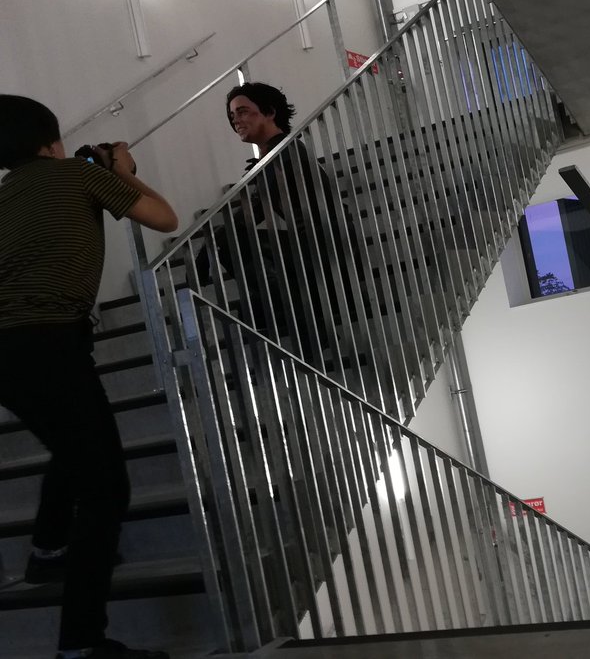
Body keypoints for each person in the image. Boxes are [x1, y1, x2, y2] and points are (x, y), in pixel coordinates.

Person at [0, 95, 178, 658]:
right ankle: (81, 644)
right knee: (105, 489)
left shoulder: (4, 196)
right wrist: (121, 172)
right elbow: (165, 218)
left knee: (74, 447)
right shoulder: (79, 175)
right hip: (49, 341)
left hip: (10, 352)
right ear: (51, 142)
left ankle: (48, 549)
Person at [209, 82, 358, 364]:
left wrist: (211, 244)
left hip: (329, 250)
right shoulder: (277, 154)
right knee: (239, 251)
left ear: (269, 112)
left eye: (243, 111)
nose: (236, 120)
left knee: (232, 242)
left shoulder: (284, 154)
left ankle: (309, 326)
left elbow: (253, 211)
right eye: (232, 115)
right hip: (314, 247)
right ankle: (293, 318)